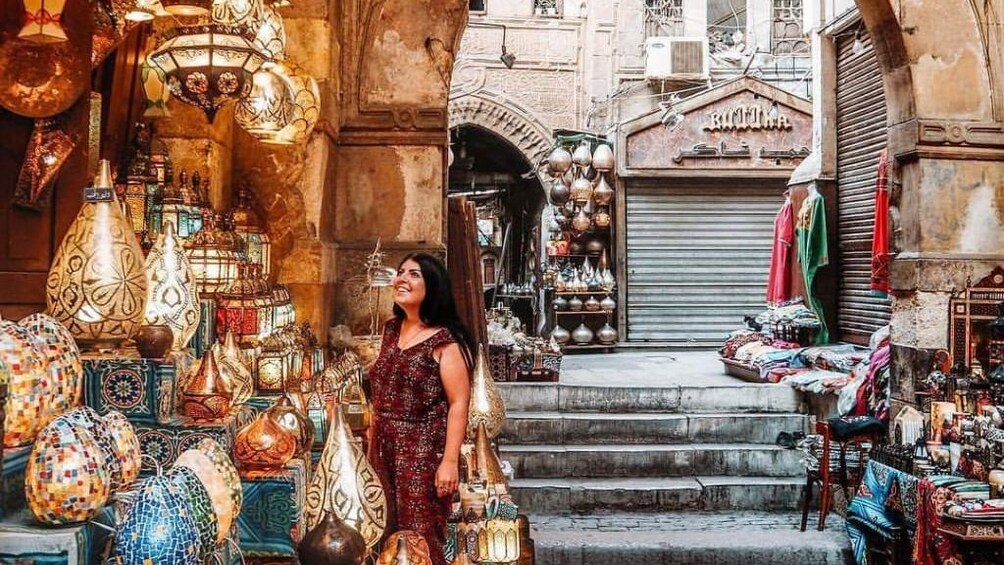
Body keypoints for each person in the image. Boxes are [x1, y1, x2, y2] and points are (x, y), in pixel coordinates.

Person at [367, 253, 474, 565]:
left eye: (414, 274)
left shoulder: (444, 342)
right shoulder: (390, 330)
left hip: (422, 454)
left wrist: (450, 461)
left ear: (433, 287)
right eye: (401, 272)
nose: (402, 279)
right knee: (383, 531)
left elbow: (458, 404)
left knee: (420, 537)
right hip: (383, 449)